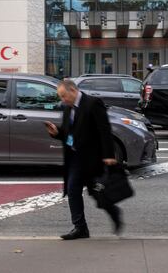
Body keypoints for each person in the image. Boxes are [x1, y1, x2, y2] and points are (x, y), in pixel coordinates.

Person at [44, 79, 121, 240]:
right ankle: (80, 228)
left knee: (97, 194)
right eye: (61, 97)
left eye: (64, 96)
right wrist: (57, 132)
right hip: (74, 158)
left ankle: (114, 212)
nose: (63, 100)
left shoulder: (92, 103)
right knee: (73, 190)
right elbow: (68, 133)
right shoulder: (67, 108)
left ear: (73, 90)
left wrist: (109, 155)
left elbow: (104, 129)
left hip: (91, 158)